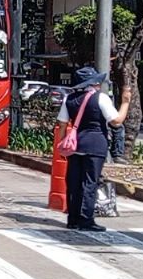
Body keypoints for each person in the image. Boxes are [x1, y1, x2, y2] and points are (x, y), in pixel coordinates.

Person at [56, 67, 131, 232]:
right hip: (96, 144)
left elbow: (62, 124)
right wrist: (125, 103)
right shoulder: (100, 98)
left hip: (75, 146)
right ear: (94, 83)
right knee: (90, 182)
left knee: (73, 182)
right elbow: (116, 121)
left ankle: (73, 219)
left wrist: (62, 143)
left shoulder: (69, 98)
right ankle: (86, 219)